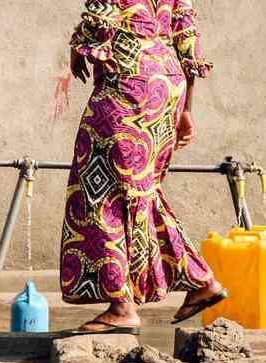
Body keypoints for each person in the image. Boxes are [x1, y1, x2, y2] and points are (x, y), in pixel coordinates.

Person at [61, 0, 228, 334]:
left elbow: (99, 22)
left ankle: (122, 308)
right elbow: (188, 42)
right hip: (167, 86)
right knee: (141, 192)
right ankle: (200, 281)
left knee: (100, 193)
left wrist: (79, 47)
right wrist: (185, 110)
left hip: (128, 82)